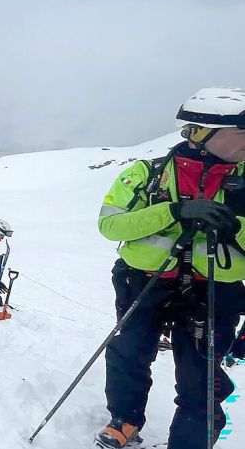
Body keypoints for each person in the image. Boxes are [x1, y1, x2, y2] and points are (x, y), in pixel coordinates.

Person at [94, 87, 245, 449]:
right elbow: (110, 225)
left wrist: (236, 225)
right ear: (203, 132)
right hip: (144, 281)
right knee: (129, 351)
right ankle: (125, 419)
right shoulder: (148, 174)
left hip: (215, 290)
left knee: (201, 375)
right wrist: (174, 211)